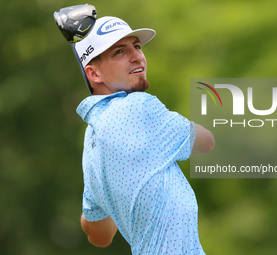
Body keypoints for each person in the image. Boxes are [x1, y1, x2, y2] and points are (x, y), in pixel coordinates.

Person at [74, 16, 215, 254]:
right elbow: (206, 141)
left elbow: (100, 235)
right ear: (94, 74)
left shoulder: (92, 142)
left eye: (137, 47)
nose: (137, 56)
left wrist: (97, 203)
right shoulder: (139, 107)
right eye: (119, 51)